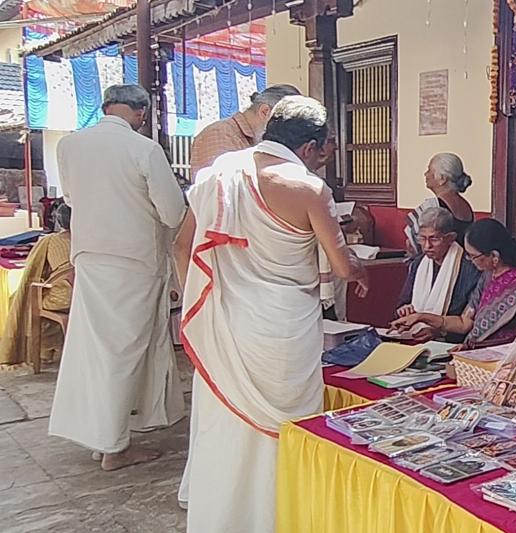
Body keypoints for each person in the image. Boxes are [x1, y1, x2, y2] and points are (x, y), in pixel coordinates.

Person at [174, 95, 368, 532]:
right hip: (282, 330)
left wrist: (206, 303)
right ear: (310, 147)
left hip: (225, 324)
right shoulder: (307, 188)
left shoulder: (218, 175)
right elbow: (341, 266)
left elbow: (181, 248)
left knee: (225, 429)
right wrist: (360, 270)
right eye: (323, 152)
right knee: (284, 433)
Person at [46, 84, 187, 471]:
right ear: (141, 113)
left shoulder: (70, 145)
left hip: (90, 259)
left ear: (106, 106)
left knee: (94, 351)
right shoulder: (144, 149)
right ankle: (114, 446)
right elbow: (172, 212)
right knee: (125, 351)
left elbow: (71, 200)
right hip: (133, 262)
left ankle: (103, 435)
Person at [390, 218, 516, 348]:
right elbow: (464, 323)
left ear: (494, 256)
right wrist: (420, 317)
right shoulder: (487, 277)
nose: (470, 261)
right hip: (480, 351)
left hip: (510, 354)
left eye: (473, 256)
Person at [393, 207, 482, 343]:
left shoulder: (470, 268)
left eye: (434, 239)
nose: (427, 246)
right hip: (414, 334)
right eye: (422, 238)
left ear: (451, 238)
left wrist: (438, 331)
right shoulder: (418, 263)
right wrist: (404, 309)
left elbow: (470, 319)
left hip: (450, 341)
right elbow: (403, 302)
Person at [1, 203, 73, 366]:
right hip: (88, 294)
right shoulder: (91, 241)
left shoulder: (50, 240)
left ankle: (42, 351)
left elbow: (33, 268)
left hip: (64, 298)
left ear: (58, 221)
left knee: (24, 298)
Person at [189, 84, 301, 174]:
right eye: (286, 123)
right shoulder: (220, 134)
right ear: (265, 112)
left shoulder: (255, 139)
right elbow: (222, 188)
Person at [404, 153, 476, 257]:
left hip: (440, 263)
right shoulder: (466, 205)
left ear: (442, 179)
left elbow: (414, 244)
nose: (425, 174)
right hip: (461, 261)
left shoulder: (431, 207)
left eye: (429, 170)